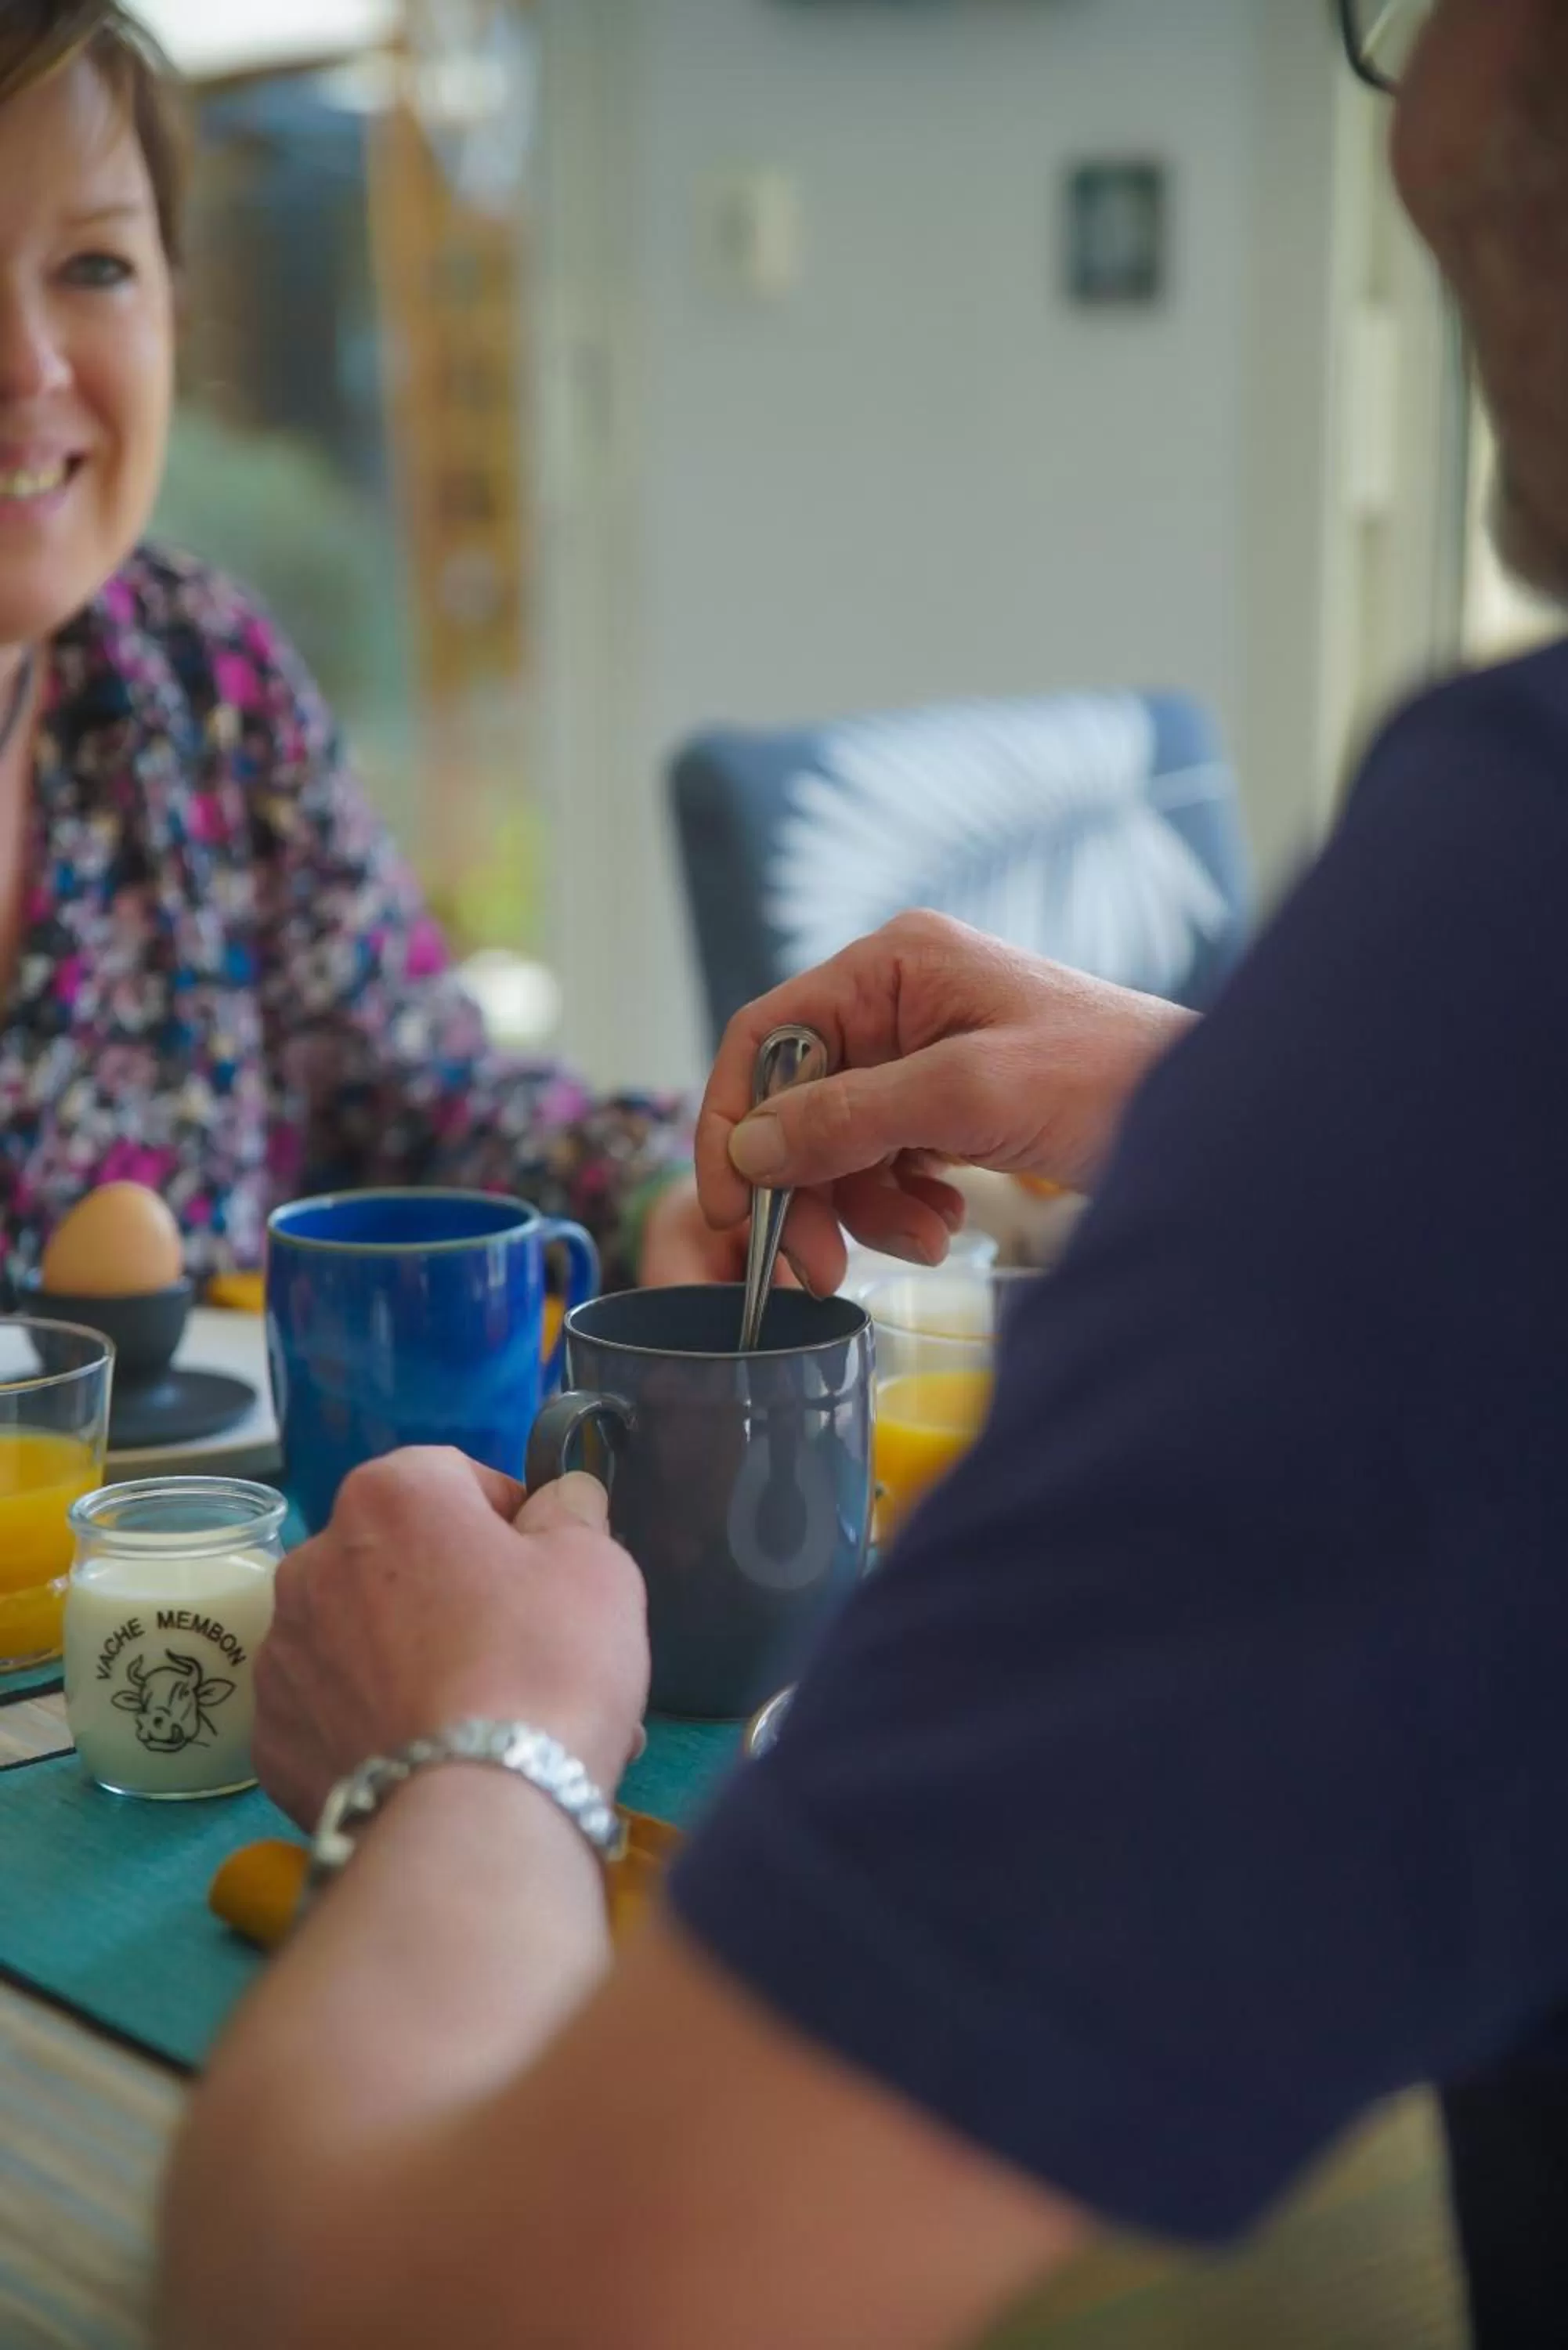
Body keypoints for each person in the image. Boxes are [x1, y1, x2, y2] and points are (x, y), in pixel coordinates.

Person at [157, 2, 1568, 2345]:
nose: (1409, 121)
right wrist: (1250, 1111)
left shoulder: (1494, 970)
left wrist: (469, 1750)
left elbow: (400, 2310)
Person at [0, 1, 731, 1292]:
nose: (28, 362)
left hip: (235, 1509)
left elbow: (414, 1086)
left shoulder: (193, 673)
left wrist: (661, 1199)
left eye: (96, 266)